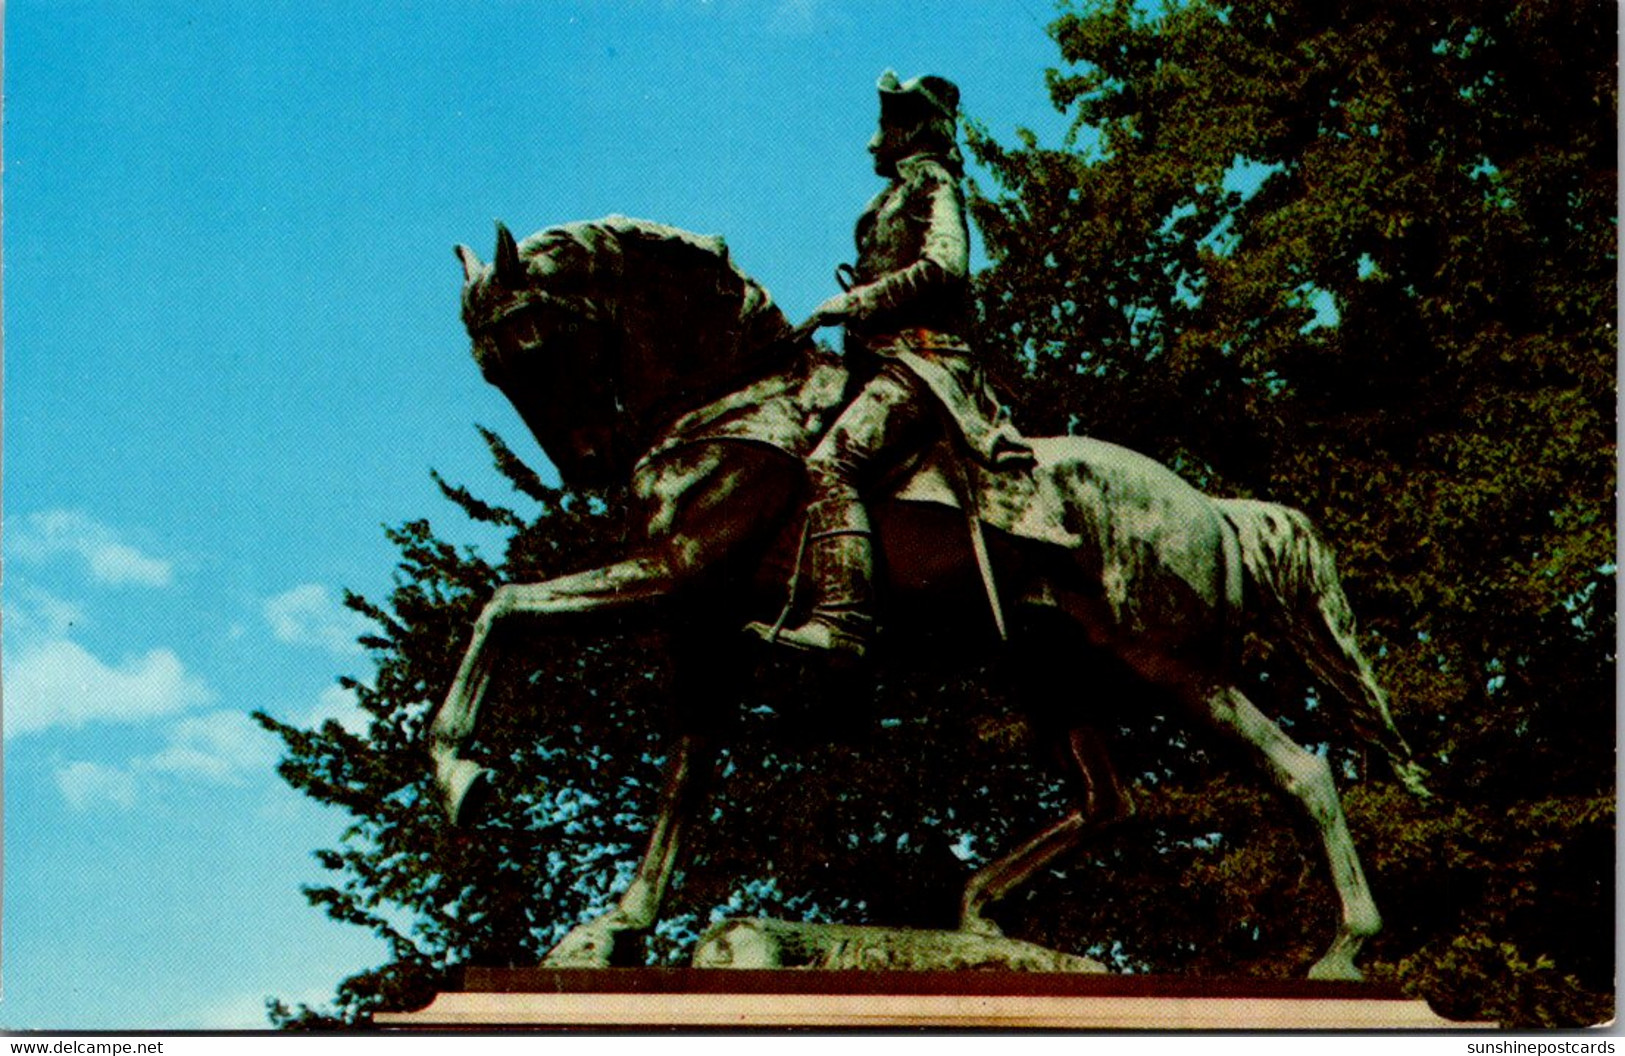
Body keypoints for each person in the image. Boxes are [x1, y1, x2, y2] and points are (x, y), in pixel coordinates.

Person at [745, 70, 1031, 659]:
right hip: (881, 359)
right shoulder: (896, 193)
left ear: (913, 129)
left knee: (834, 461)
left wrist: (859, 300)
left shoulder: (933, 184)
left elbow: (946, 264)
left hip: (926, 361)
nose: (876, 140)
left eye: (886, 124)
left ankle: (843, 617)